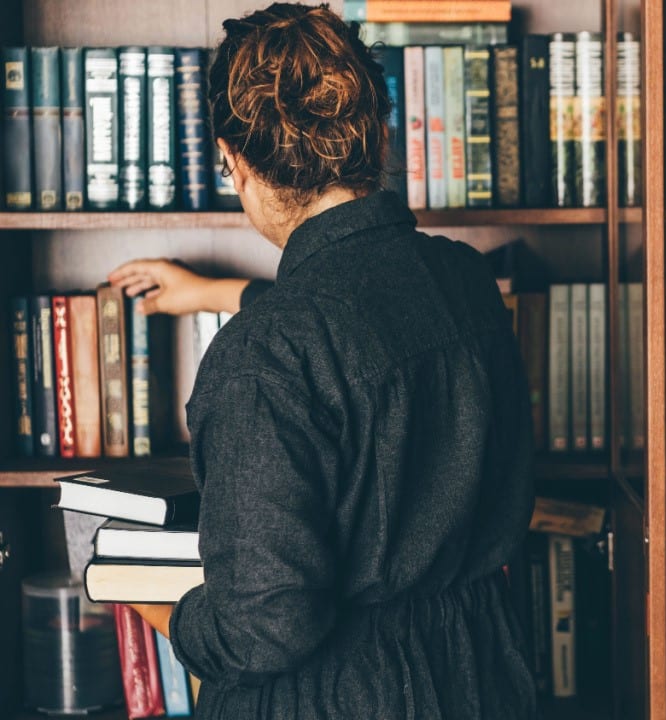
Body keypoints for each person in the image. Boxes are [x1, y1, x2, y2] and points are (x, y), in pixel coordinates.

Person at [107, 4, 536, 717]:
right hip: (480, 670)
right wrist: (216, 293)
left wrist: (173, 616)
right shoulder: (464, 281)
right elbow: (360, 324)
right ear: (379, 135)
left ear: (235, 162)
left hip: (339, 696)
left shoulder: (264, 357)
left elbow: (265, 624)